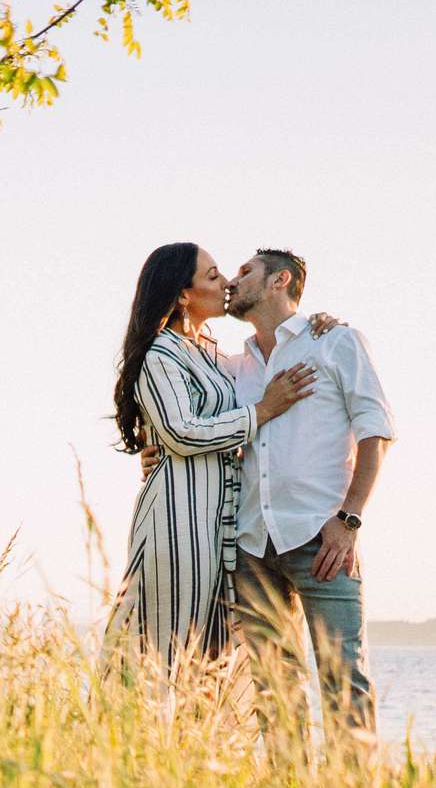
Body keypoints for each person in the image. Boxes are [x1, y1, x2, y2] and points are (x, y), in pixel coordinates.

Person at [105, 243, 319, 668]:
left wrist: (317, 325)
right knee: (166, 646)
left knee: (210, 653)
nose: (226, 283)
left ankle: (197, 735)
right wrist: (263, 410)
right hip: (179, 518)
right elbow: (182, 431)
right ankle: (139, 729)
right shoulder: (159, 353)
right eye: (213, 275)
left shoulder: (212, 354)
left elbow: (269, 350)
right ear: (183, 294)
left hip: (219, 526)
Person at [218, 248, 395, 735]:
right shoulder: (235, 366)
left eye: (244, 272)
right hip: (252, 544)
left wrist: (350, 519)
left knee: (344, 680)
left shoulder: (334, 341)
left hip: (322, 538)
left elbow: (375, 430)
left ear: (280, 280)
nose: (233, 282)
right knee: (275, 686)